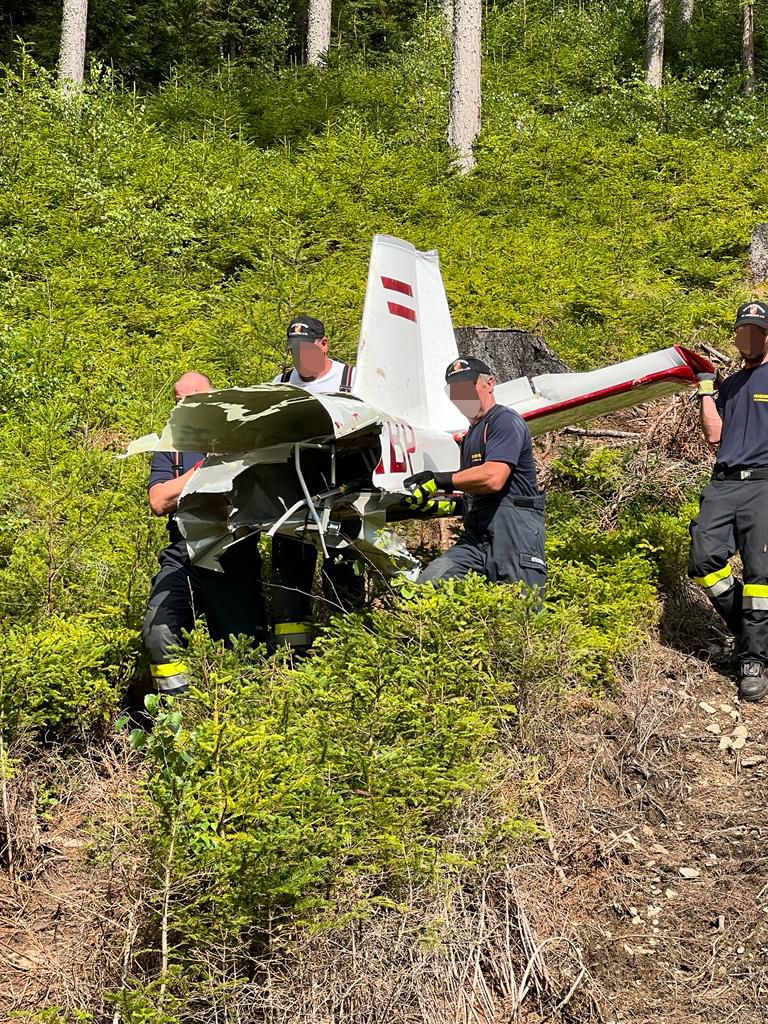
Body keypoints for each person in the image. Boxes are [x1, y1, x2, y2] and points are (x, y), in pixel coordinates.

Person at [141, 371, 266, 695]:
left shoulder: (242, 438)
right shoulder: (171, 446)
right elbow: (158, 500)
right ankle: (178, 714)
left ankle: (245, 730)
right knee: (158, 628)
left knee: (244, 653)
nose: (182, 408)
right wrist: (203, 471)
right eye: (177, 401)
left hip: (233, 553)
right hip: (183, 553)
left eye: (191, 400)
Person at [404, 356, 546, 589]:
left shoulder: (504, 421)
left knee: (519, 615)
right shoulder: (470, 436)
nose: (462, 395)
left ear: (489, 383)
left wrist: (440, 480)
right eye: (454, 390)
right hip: (476, 539)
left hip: (515, 536)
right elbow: (476, 491)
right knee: (430, 586)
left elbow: (493, 478)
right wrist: (447, 505)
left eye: (467, 386)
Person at [689, 301, 768, 703]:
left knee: (759, 574)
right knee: (703, 559)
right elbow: (714, 436)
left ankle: (753, 659)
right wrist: (706, 389)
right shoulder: (732, 384)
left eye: (757, 330)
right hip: (723, 483)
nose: (749, 337)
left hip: (764, 484)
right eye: (743, 331)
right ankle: (749, 628)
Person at [269, 316, 364, 651]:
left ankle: (350, 647)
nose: (301, 357)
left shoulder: (353, 379)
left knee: (343, 573)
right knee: (288, 578)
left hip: (344, 495)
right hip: (292, 496)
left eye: (307, 349)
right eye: (294, 350)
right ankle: (291, 658)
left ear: (324, 345)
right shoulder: (280, 383)